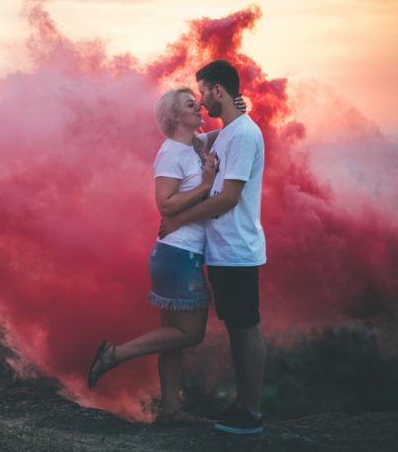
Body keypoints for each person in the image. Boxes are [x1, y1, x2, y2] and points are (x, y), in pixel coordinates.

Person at [86, 87, 245, 425]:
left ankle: (171, 409)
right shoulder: (171, 153)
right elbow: (165, 204)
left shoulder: (196, 144)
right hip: (178, 256)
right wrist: (205, 185)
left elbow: (226, 131)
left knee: (172, 338)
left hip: (178, 254)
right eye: (191, 105)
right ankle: (114, 354)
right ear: (175, 117)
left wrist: (235, 109)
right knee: (191, 334)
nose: (199, 107)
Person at [159, 60, 267, 435]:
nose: (201, 101)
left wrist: (178, 219)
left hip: (236, 249)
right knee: (238, 327)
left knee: (246, 327)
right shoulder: (229, 132)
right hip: (224, 250)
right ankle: (244, 406)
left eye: (203, 91)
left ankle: (250, 413)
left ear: (218, 90)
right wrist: (178, 120)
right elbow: (190, 140)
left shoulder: (241, 135)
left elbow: (228, 199)